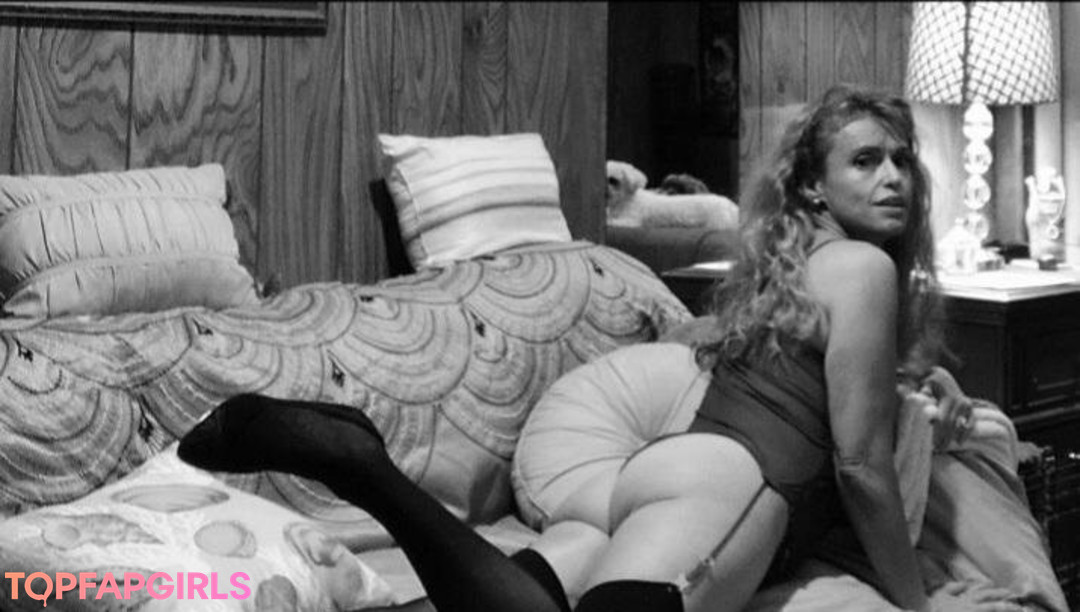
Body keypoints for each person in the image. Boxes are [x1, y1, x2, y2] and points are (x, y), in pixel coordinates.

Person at [177, 84, 1021, 612]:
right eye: (865, 161)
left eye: (902, 159)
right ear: (814, 185)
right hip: (733, 491)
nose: (894, 177)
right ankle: (361, 466)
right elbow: (862, 466)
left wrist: (925, 390)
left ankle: (365, 470)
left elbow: (813, 387)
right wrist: (915, 602)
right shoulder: (866, 268)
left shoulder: (786, 270)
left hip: (656, 477)